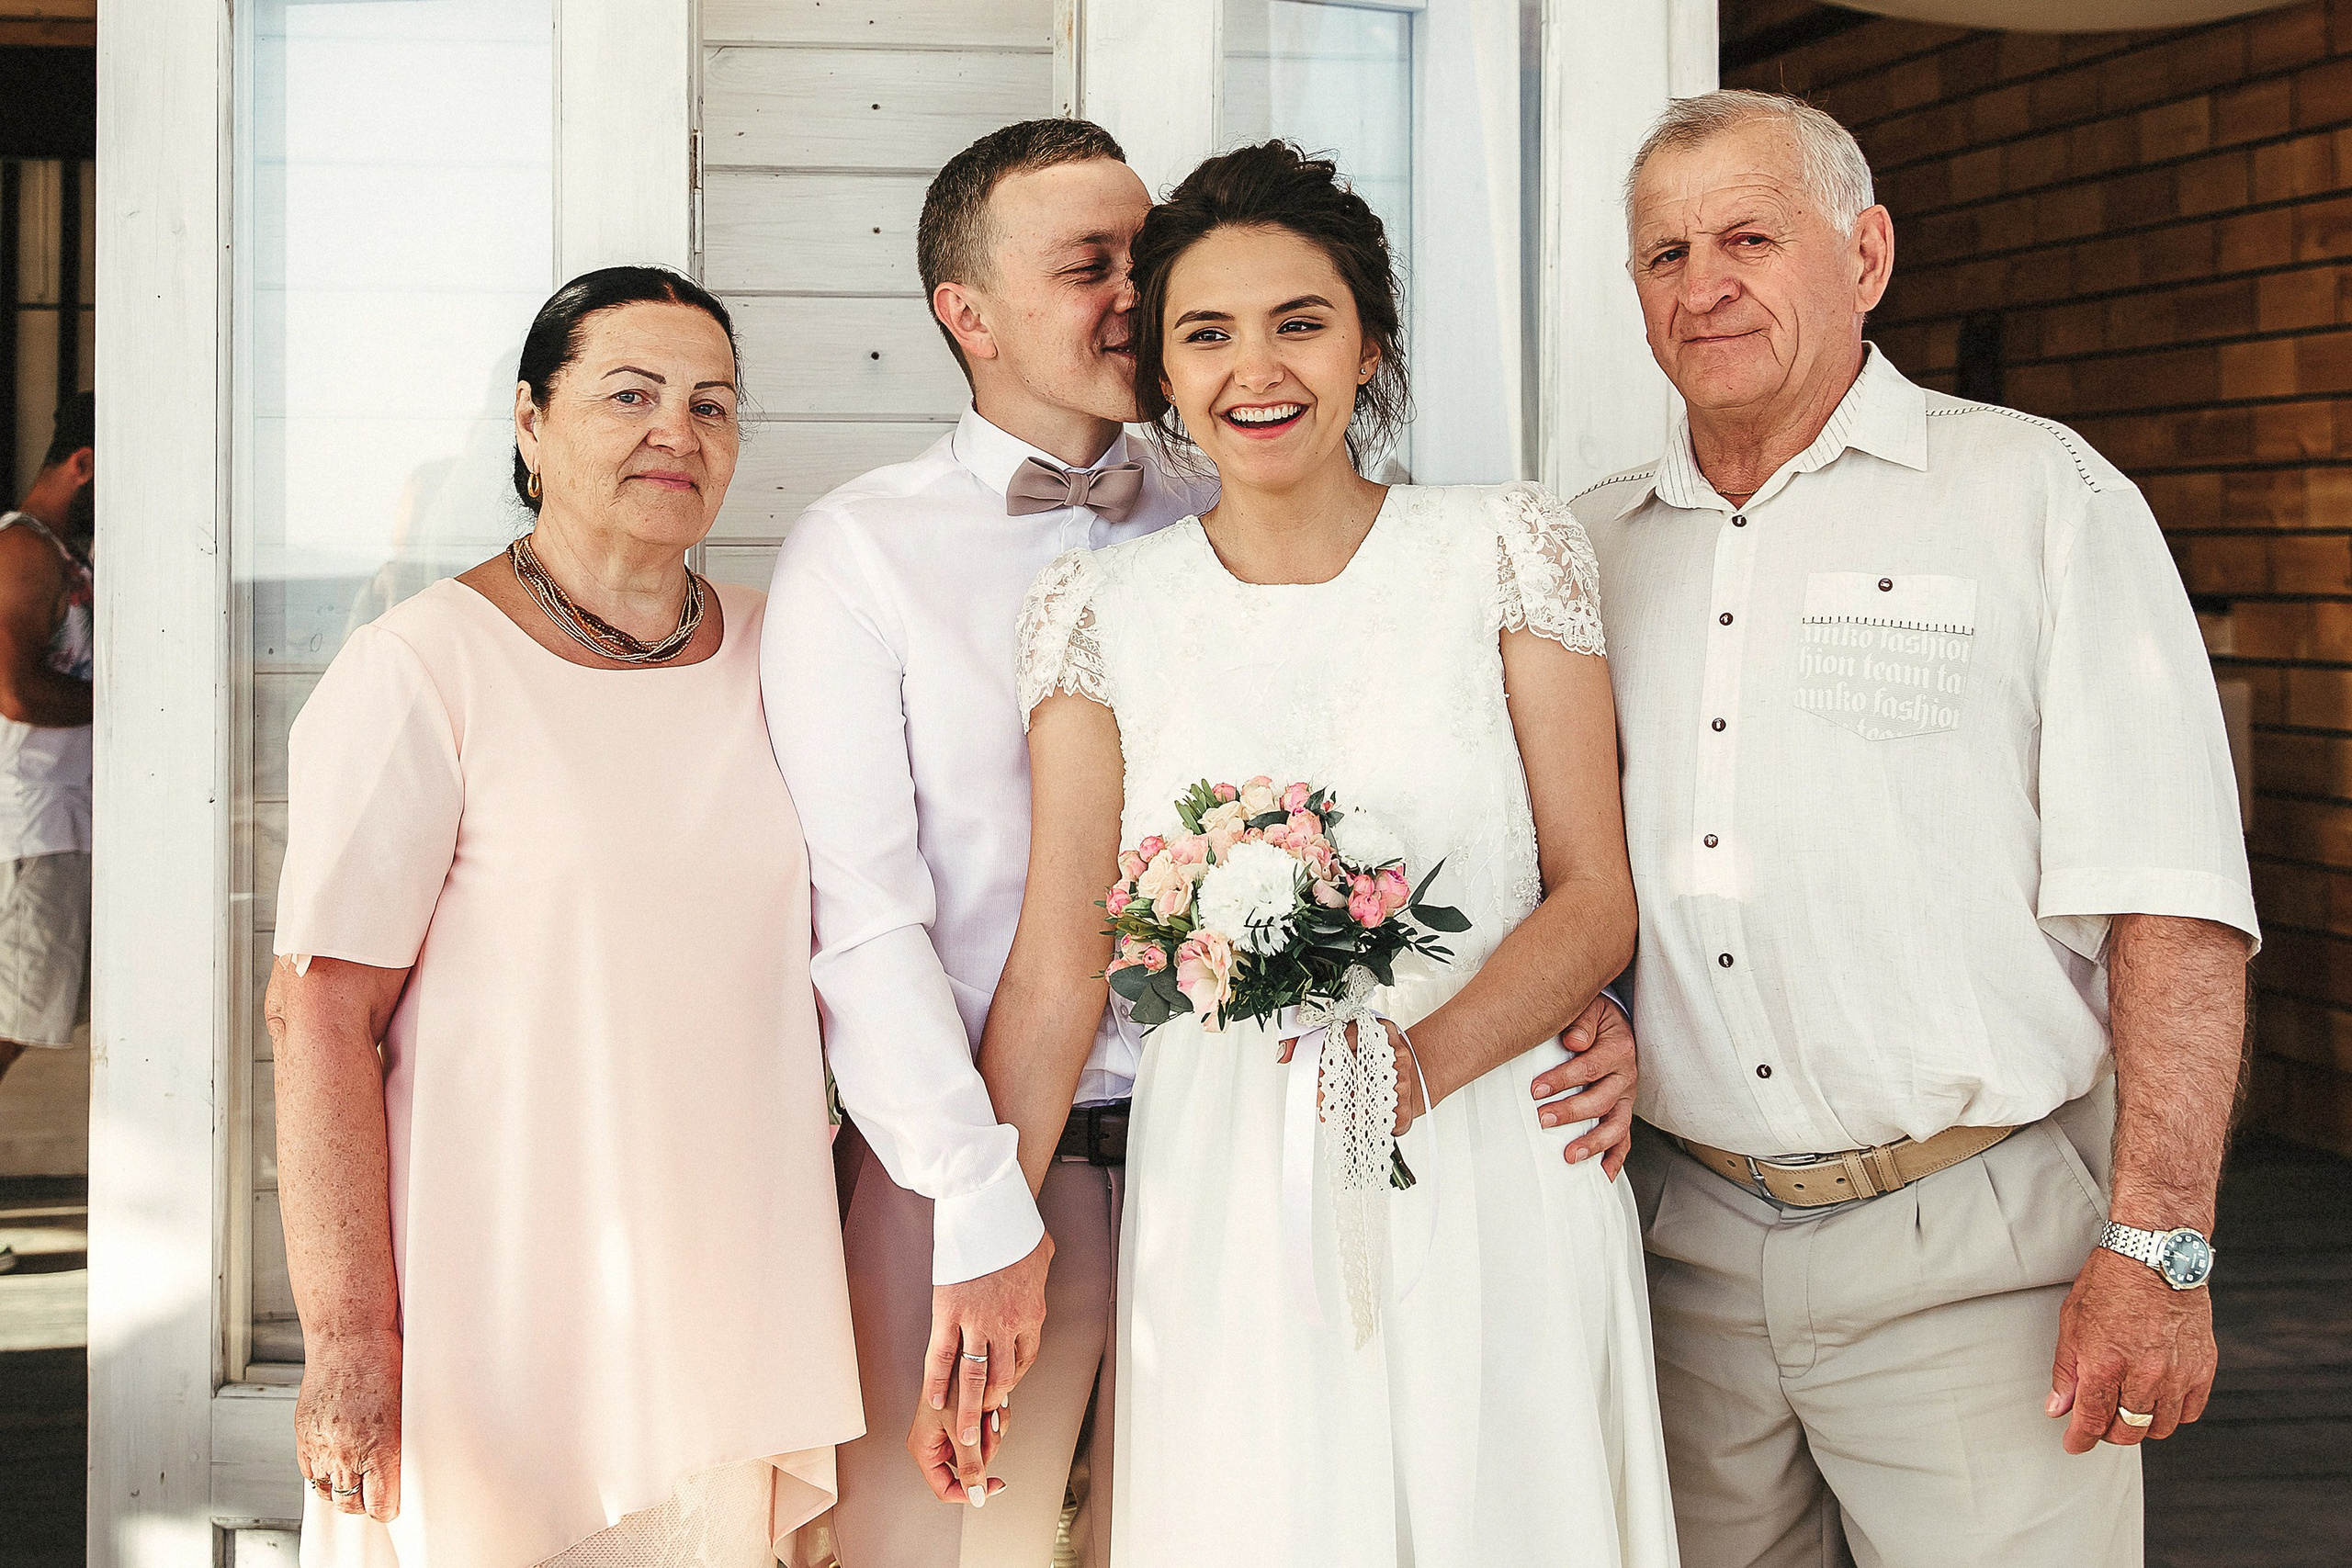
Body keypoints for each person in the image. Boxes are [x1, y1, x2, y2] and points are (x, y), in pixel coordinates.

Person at [763, 118, 1643, 1562]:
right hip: (1183, 1165)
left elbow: (1587, 886)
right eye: (1198, 326)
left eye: (1299, 322)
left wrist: (1491, 1042)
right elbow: (1016, 954)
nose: (1251, 364)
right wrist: (977, 1241)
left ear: (1370, 342)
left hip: (1481, 1138)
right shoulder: (1025, 587)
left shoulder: (1499, 544)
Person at [1575, 90, 2259, 1567]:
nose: (1705, 284)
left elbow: (2174, 897)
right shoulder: (1591, 548)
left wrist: (2159, 1246)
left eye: (1751, 238)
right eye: (1666, 253)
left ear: (1867, 255)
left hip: (1979, 1253)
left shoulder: (2040, 495)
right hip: (1679, 1255)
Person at [268, 266, 860, 1565]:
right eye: (630, 396)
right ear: (531, 425)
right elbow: (319, 1014)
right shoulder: (422, 665)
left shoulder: (792, 652)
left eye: (711, 404)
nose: (677, 432)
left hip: (731, 1292)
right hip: (498, 1299)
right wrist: (350, 1336)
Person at [0, 389, 93, 1278]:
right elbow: (17, 691)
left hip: (64, 821)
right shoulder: (23, 548)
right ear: (84, 465)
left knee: (23, 1017)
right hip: (28, 825)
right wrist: (130, 702)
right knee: (8, 1020)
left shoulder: (63, 553)